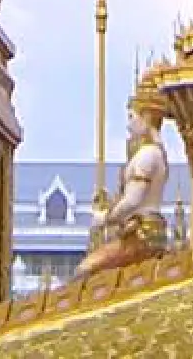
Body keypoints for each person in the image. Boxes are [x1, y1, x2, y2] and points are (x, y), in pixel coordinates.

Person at [70, 104, 171, 282]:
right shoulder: (155, 153)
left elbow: (133, 200)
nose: (128, 125)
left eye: (132, 117)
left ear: (146, 119)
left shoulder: (147, 155)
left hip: (141, 235)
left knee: (84, 272)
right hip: (142, 231)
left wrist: (106, 218)